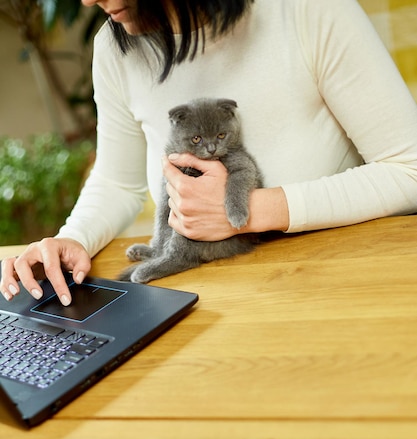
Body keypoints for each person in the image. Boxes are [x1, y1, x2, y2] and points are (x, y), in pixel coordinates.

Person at [1, 0, 417, 305]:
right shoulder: (115, 46)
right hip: (199, 303)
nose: (87, 0)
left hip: (332, 292)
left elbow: (409, 169)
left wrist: (252, 210)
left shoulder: (308, 11)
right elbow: (116, 182)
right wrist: (73, 238)